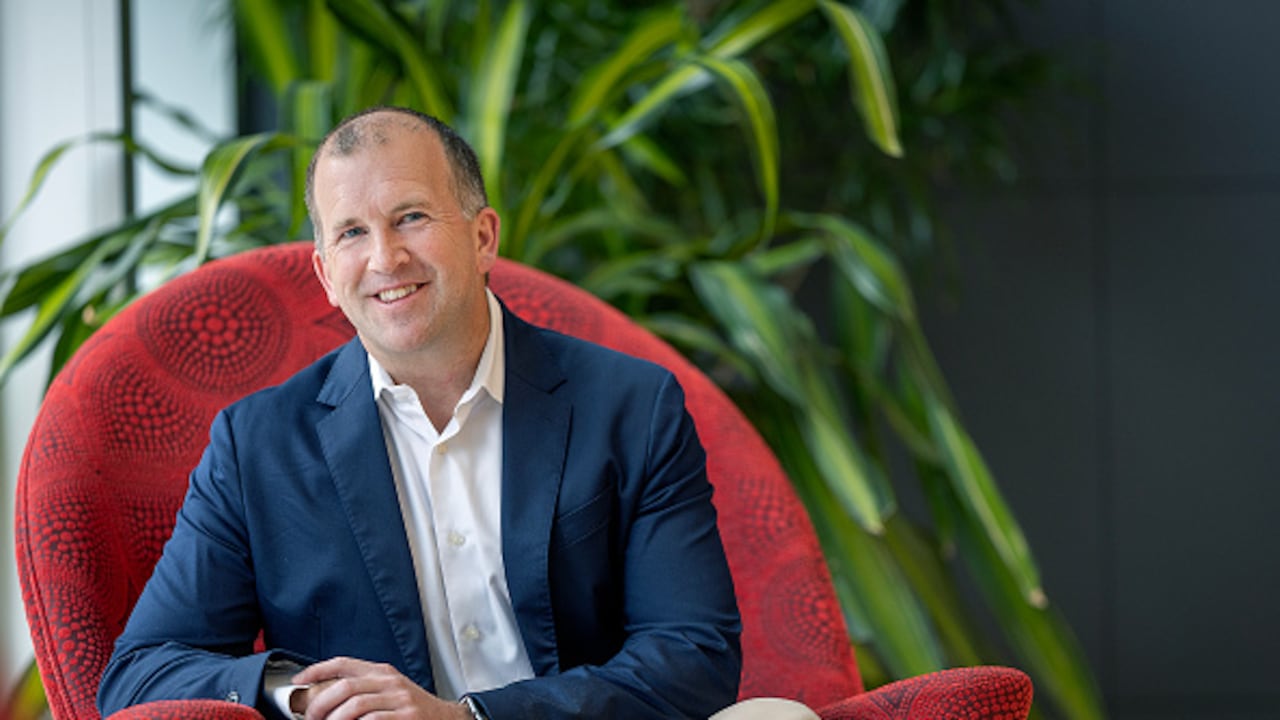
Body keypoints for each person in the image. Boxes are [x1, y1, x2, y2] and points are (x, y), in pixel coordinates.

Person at [97, 106, 773, 720]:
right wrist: (301, 693)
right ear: (327, 274)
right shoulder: (257, 446)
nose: (386, 258)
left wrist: (470, 719)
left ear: (483, 237)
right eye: (353, 233)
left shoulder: (630, 405)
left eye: (411, 217)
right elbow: (141, 673)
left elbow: (694, 656)